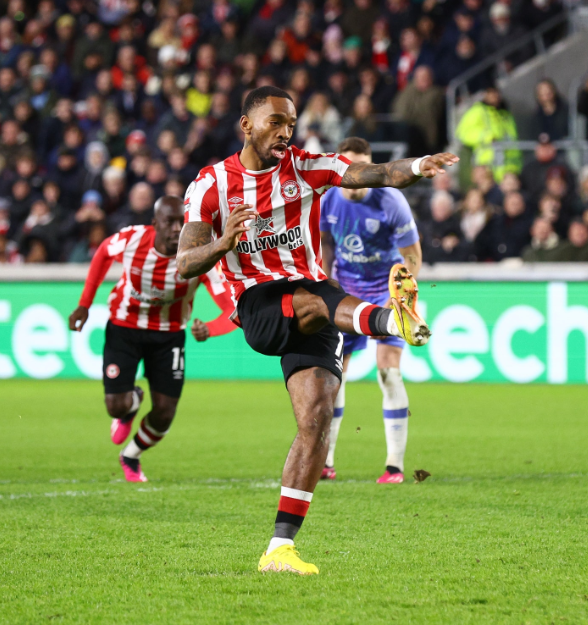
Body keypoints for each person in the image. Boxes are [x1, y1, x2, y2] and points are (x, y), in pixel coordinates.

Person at [175, 86, 457, 575]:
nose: (285, 132)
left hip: (312, 304)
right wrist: (222, 243)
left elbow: (375, 173)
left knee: (317, 421)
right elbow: (185, 263)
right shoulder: (211, 184)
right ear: (247, 125)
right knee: (319, 297)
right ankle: (390, 319)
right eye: (276, 122)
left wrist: (417, 166)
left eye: (291, 123)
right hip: (259, 303)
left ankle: (279, 549)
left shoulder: (305, 168)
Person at [67, 196, 237, 484]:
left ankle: (130, 455)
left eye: (182, 222)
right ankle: (132, 403)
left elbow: (232, 310)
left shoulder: (201, 257)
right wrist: (84, 304)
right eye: (169, 222)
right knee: (116, 406)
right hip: (124, 328)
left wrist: (210, 329)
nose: (177, 228)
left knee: (165, 414)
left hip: (169, 336)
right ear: (155, 223)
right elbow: (102, 253)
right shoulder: (132, 240)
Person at [319, 138, 422, 484]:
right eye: (350, 168)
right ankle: (326, 461)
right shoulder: (328, 198)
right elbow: (326, 244)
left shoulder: (390, 200)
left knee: (388, 372)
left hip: (385, 290)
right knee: (334, 375)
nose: (356, 175)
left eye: (362, 168)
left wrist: (402, 296)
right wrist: (326, 282)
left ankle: (394, 466)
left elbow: (412, 255)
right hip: (346, 291)